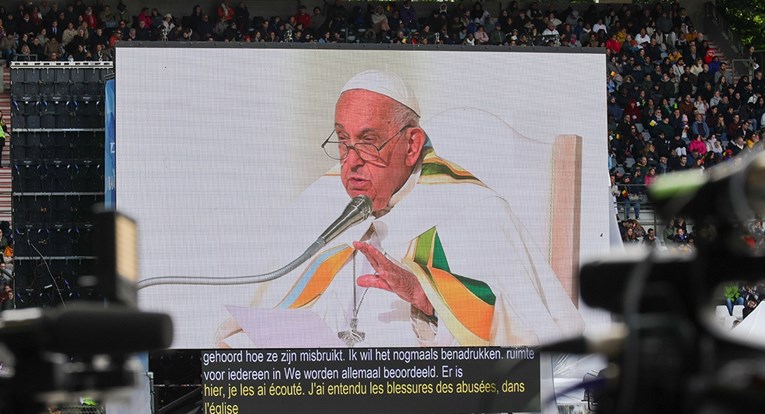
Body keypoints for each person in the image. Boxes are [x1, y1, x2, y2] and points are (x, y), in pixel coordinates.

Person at [216, 70, 583, 348]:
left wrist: (426, 296)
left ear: (412, 146)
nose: (351, 163)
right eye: (344, 142)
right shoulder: (322, 203)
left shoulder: (475, 211)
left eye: (369, 142)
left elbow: (543, 337)